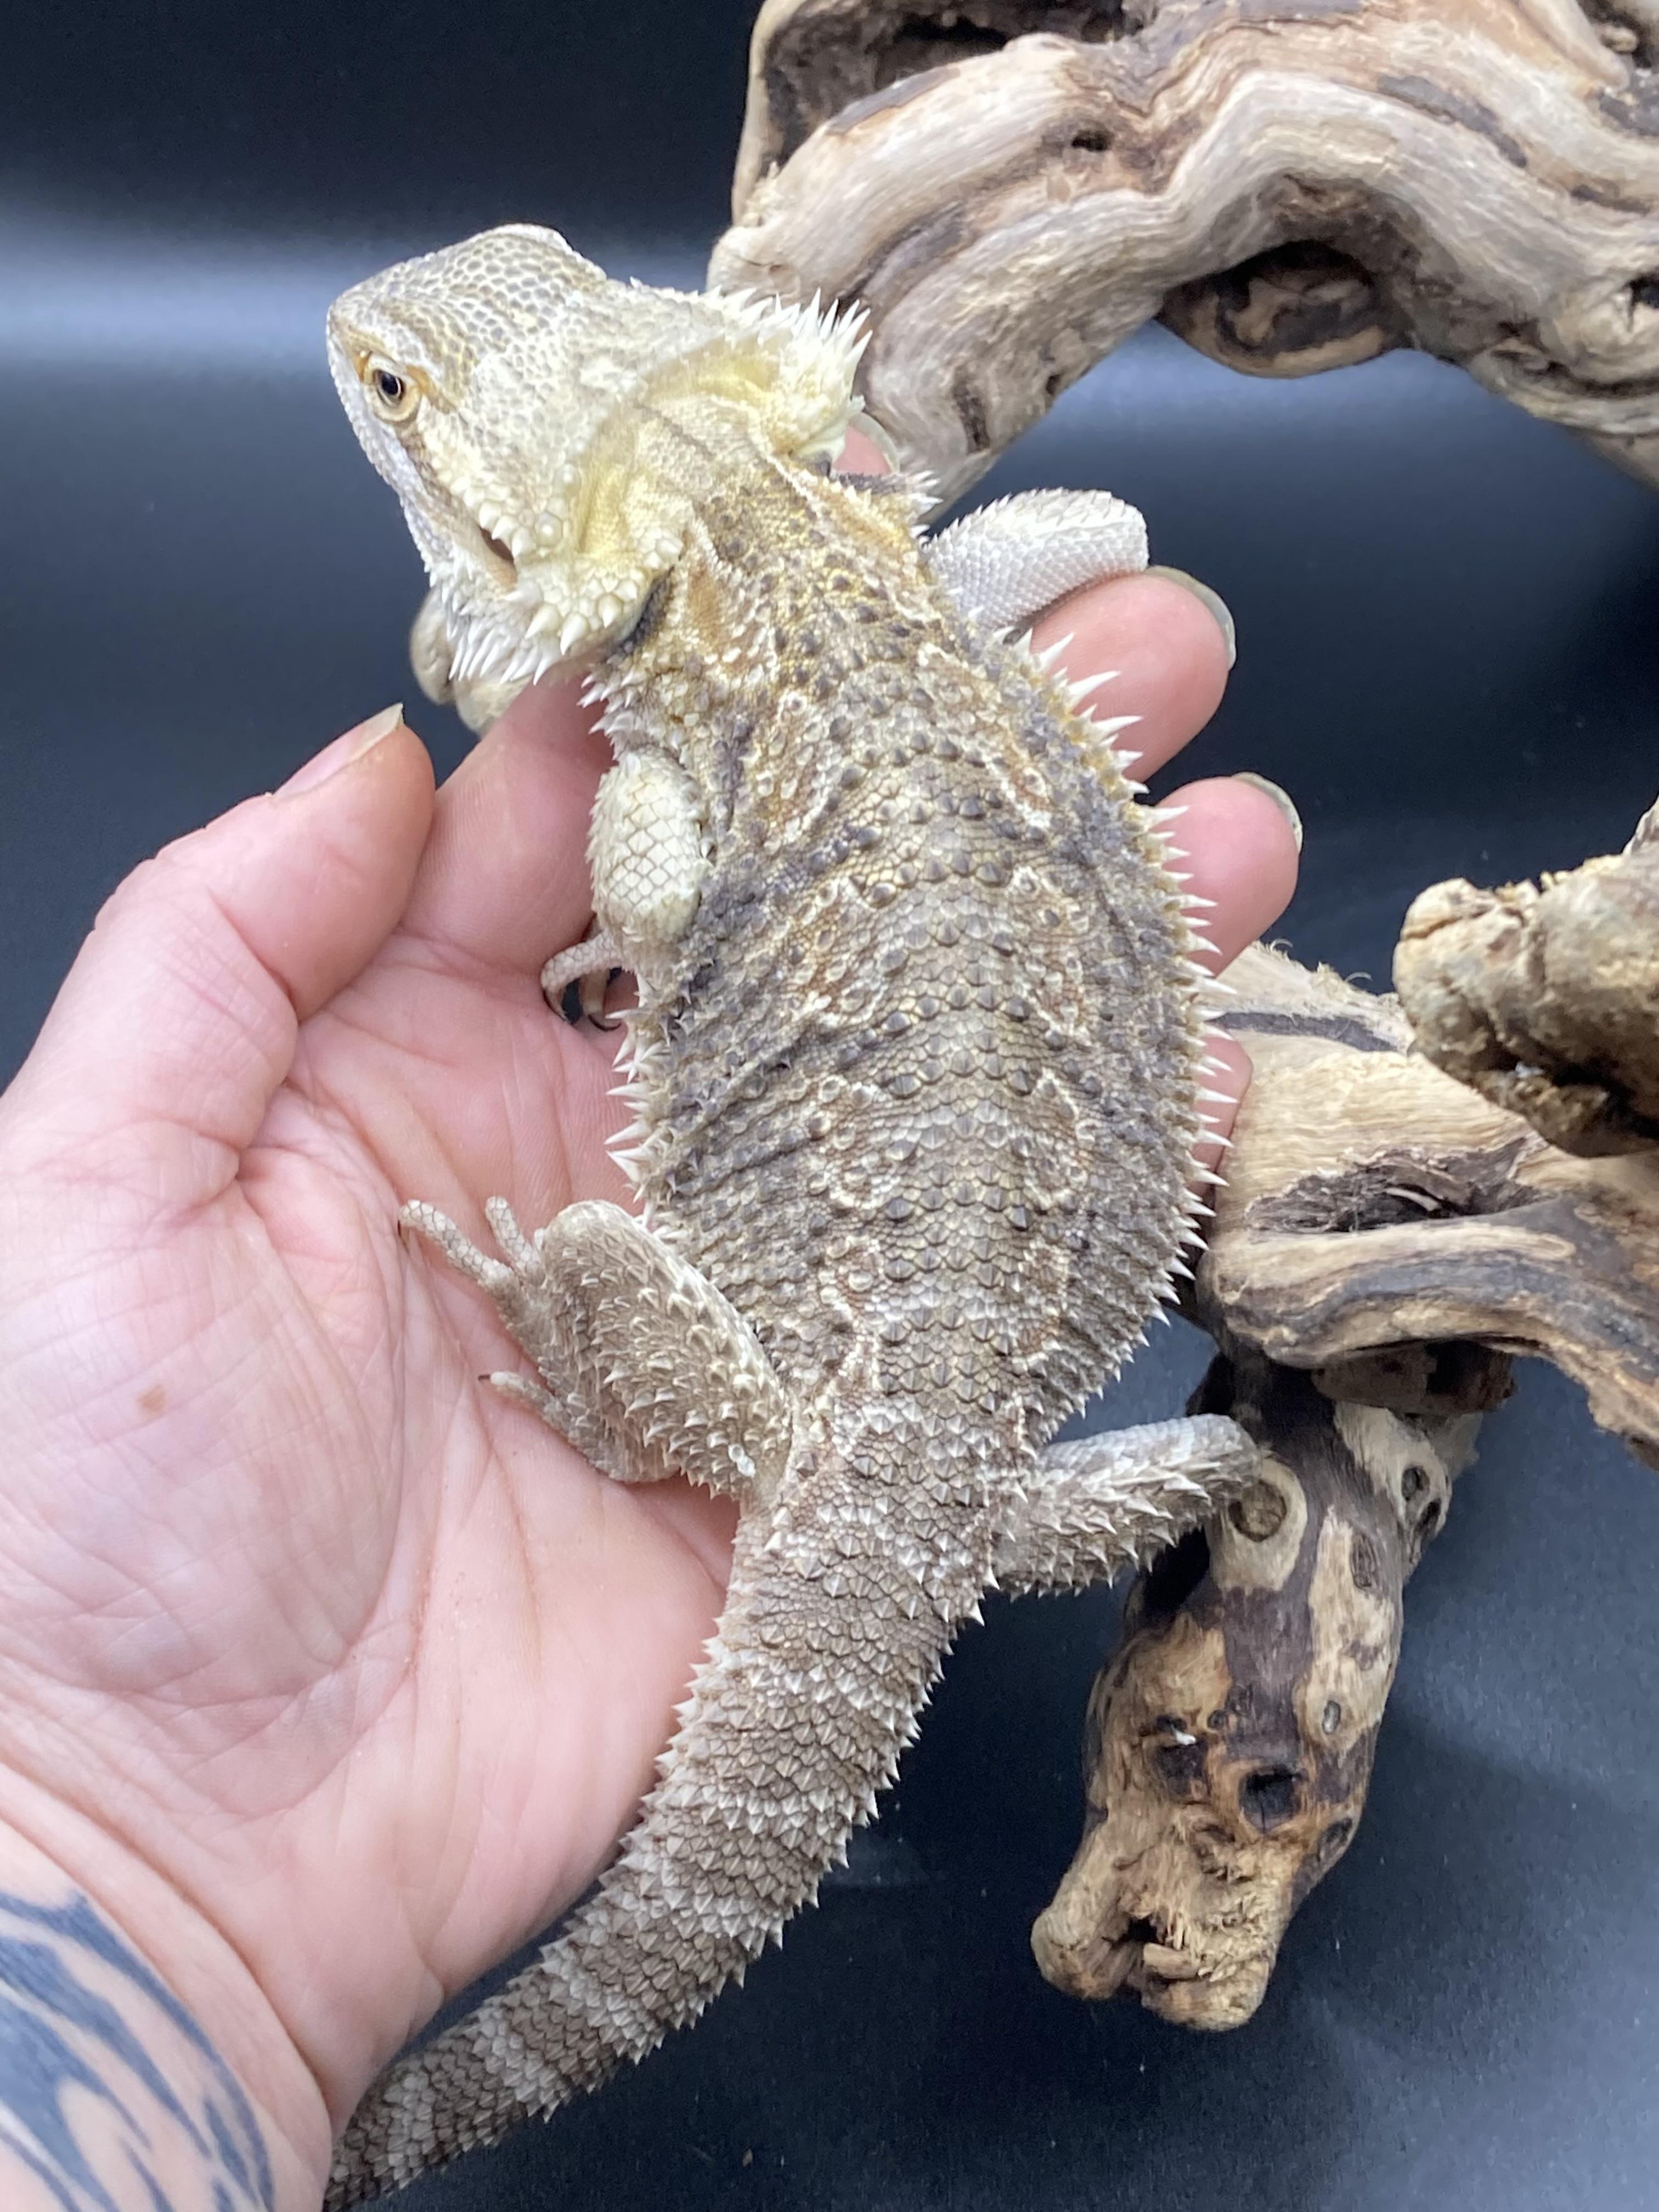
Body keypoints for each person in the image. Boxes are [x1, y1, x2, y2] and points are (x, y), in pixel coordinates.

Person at [0, 572, 1297, 2210]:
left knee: (593, 1257)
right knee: (1210, 1450)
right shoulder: (777, 642)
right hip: (976, 1479)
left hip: (855, 1423)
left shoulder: (782, 654)